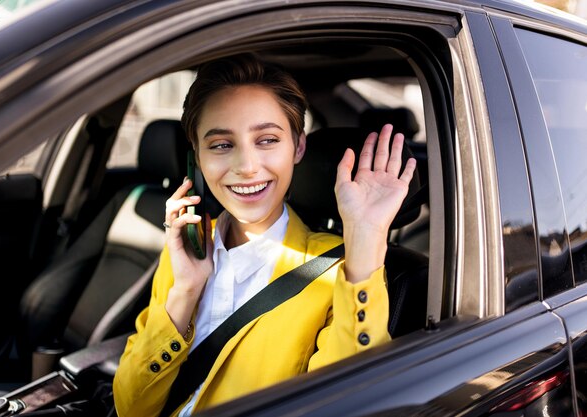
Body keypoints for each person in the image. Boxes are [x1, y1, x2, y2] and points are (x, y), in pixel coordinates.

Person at [113, 54, 416, 417]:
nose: (247, 167)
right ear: (197, 155)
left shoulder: (344, 270)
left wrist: (366, 236)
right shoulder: (188, 246)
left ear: (298, 147)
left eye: (268, 139)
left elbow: (346, 402)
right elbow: (131, 408)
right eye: (222, 145)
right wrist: (184, 292)